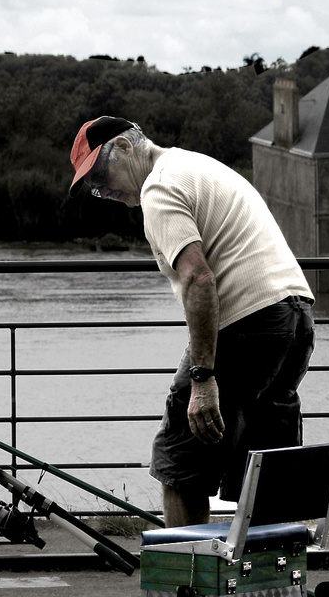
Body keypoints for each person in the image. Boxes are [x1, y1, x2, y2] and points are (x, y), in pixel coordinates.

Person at [69, 115, 315, 528]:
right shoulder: (196, 164)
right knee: (266, 457)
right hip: (295, 316)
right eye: (92, 186)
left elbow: (198, 276)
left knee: (180, 460)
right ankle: (270, 580)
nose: (101, 188)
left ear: (127, 148)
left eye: (99, 172)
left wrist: (202, 377)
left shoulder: (159, 188)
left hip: (249, 321)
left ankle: (190, 586)